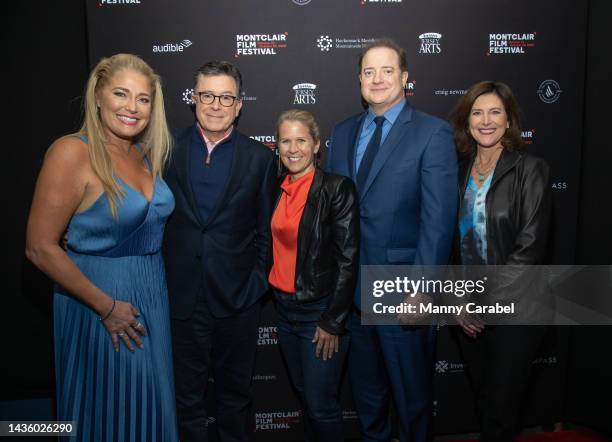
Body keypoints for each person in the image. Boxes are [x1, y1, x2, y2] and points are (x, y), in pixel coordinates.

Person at [25, 53, 178, 441]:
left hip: (151, 297)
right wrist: (105, 306)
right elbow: (40, 247)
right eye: (121, 94)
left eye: (143, 99)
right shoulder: (71, 152)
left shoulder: (144, 154)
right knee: (107, 410)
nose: (132, 107)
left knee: (150, 403)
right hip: (98, 303)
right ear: (98, 95)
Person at [326, 38, 458, 441]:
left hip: (403, 294)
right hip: (352, 297)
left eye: (387, 71)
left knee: (412, 402)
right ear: (359, 81)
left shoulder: (432, 133)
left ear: (404, 78)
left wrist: (422, 288)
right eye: (368, 72)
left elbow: (438, 221)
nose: (377, 79)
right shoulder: (343, 132)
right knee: (368, 403)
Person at [162, 60, 276, 442]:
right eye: (207, 95)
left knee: (235, 400)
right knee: (186, 402)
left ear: (239, 104)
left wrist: (253, 288)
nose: (215, 104)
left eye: (225, 97)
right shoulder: (165, 149)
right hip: (181, 300)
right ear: (194, 99)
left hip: (237, 303)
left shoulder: (260, 159)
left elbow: (268, 233)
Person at [449, 80, 552, 442]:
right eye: (477, 113)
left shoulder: (531, 169)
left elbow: (530, 250)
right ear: (467, 121)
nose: (486, 120)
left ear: (509, 121)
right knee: (484, 403)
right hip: (466, 310)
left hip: (515, 312)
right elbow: (449, 246)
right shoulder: (457, 171)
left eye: (495, 112)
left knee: (501, 412)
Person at [269, 109, 359, 441]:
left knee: (322, 405)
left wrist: (333, 320)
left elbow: (348, 259)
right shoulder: (277, 188)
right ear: (276, 146)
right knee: (306, 398)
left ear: (317, 145)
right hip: (284, 310)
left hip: (318, 314)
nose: (293, 148)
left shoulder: (336, 189)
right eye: (285, 141)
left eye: (301, 140)